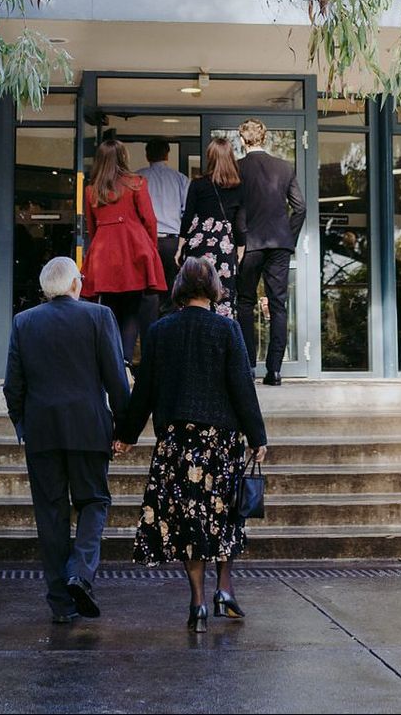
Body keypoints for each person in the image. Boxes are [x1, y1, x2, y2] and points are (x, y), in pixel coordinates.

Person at [114, 257, 268, 632]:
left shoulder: (161, 331)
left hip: (177, 443)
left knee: (189, 522)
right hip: (219, 442)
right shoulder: (227, 329)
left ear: (180, 287)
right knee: (225, 516)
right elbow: (241, 388)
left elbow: (145, 390)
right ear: (214, 288)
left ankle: (198, 601)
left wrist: (127, 435)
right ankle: (226, 589)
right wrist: (257, 436)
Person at [3, 256, 131, 624]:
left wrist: (23, 425)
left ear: (46, 289)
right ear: (77, 284)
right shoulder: (98, 316)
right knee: (94, 501)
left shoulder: (23, 322)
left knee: (50, 513)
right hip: (89, 428)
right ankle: (80, 571)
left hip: (42, 432)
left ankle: (61, 602)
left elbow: (14, 385)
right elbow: (115, 380)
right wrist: (124, 430)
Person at [231, 119, 305, 386]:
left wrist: (240, 241)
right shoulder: (284, 167)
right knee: (278, 305)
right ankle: (274, 370)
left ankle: (248, 366)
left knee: (245, 302)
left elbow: (237, 210)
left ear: (242, 140)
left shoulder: (238, 169)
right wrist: (289, 237)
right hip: (279, 244)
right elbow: (301, 208)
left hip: (249, 244)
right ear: (264, 139)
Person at [82, 140, 167, 364]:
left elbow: (91, 227)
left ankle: (113, 358)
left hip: (103, 251)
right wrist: (150, 250)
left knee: (109, 305)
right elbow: (149, 220)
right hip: (134, 248)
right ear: (123, 158)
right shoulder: (136, 184)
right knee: (132, 307)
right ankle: (125, 358)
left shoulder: (91, 190)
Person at [176, 137, 243, 318]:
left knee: (195, 293)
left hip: (200, 244)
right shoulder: (237, 186)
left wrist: (180, 246)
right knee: (224, 297)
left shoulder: (198, 183)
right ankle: (221, 340)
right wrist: (241, 248)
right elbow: (239, 222)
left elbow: (188, 217)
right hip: (224, 245)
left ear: (210, 157)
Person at [137, 138, 189, 313]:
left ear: (147, 155)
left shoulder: (137, 179)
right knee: (171, 291)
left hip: (144, 241)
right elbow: (187, 212)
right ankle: (168, 333)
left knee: (146, 289)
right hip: (172, 243)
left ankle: (149, 332)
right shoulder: (180, 179)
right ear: (167, 155)